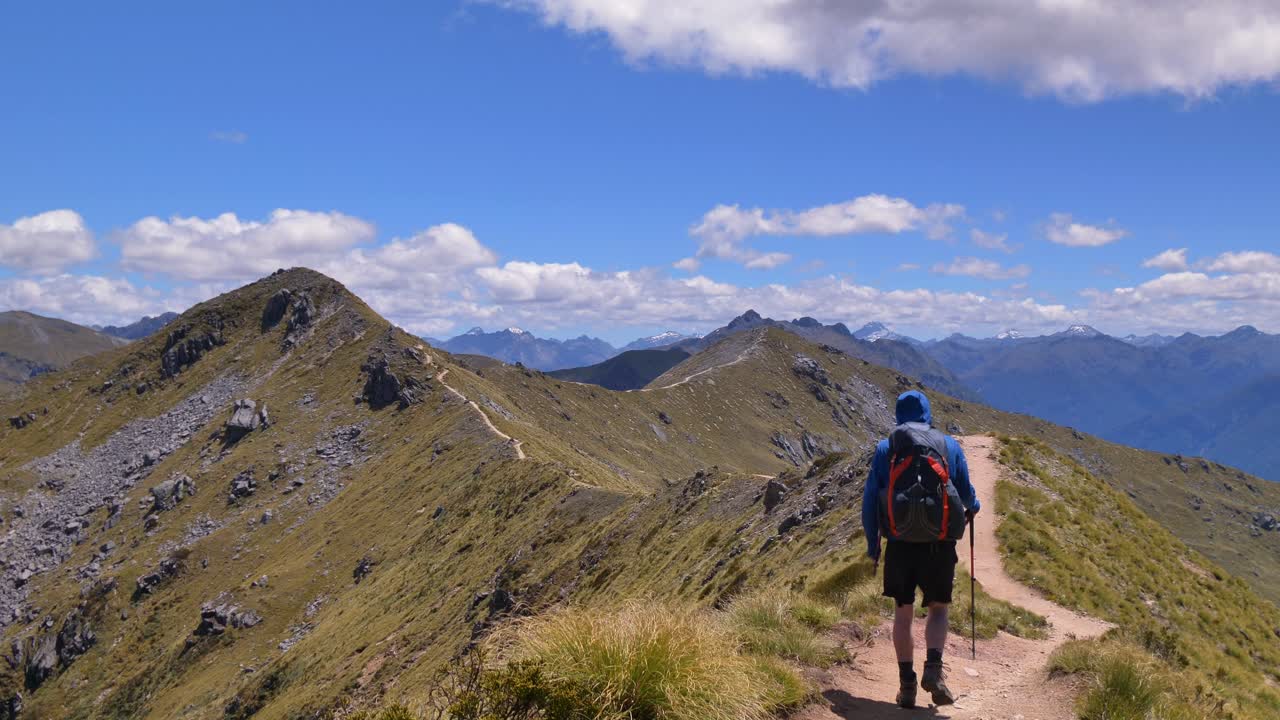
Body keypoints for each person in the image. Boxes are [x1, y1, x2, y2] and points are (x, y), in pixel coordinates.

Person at [861, 390, 980, 708]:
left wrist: (874, 545)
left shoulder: (887, 448)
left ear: (898, 415)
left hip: (899, 545)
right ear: (928, 414)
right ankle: (934, 671)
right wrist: (976, 506)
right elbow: (966, 493)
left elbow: (871, 500)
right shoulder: (948, 445)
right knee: (938, 608)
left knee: (903, 613)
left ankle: (907, 685)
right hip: (939, 546)